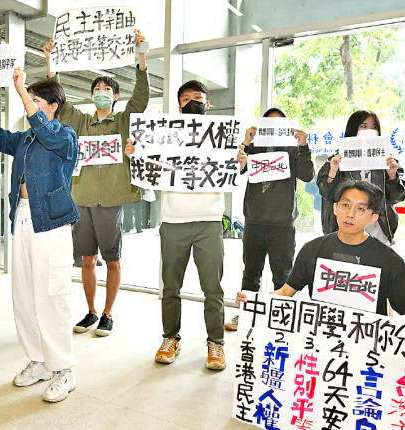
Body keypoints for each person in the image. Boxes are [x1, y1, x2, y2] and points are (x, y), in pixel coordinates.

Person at [0, 67, 80, 403]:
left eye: (35, 100)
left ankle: (64, 370)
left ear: (52, 106)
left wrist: (19, 90)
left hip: (52, 223)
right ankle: (40, 361)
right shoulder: (25, 138)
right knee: (25, 293)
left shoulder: (65, 136)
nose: (28, 104)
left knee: (52, 295)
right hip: (23, 219)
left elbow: (50, 135)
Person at [237, 180, 405, 351]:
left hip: (368, 349)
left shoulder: (388, 260)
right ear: (335, 209)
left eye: (360, 209)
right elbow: (285, 292)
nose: (350, 214)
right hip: (320, 345)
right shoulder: (313, 249)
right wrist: (255, 300)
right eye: (345, 205)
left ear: (372, 217)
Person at [43, 31, 149, 337]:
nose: (101, 92)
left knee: (112, 258)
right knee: (86, 259)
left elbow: (141, 98)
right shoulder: (80, 121)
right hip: (82, 198)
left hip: (112, 199)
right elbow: (58, 104)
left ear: (115, 96)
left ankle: (108, 312)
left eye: (107, 89)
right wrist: (52, 66)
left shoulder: (122, 121)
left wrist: (140, 53)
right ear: (91, 96)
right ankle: (90, 311)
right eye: (97, 89)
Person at [126, 80, 227, 370]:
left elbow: (234, 172)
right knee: (170, 286)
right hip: (173, 221)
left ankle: (215, 343)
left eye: (198, 97)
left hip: (209, 221)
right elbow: (146, 170)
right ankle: (171, 338)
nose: (192, 102)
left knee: (213, 288)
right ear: (178, 105)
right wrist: (135, 155)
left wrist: (240, 161)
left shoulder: (222, 136)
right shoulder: (162, 137)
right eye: (186, 98)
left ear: (208, 104)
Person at [225, 107, 314, 331]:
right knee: (251, 273)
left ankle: (281, 319)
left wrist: (303, 146)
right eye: (269, 123)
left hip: (283, 222)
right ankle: (246, 315)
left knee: (283, 274)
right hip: (254, 219)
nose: (274, 127)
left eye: (279, 123)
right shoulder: (253, 146)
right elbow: (235, 170)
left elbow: (307, 175)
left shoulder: (293, 149)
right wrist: (245, 142)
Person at [316, 110, 405, 245]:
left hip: (377, 225)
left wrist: (392, 175)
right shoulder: (337, 159)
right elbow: (327, 193)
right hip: (345, 224)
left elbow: (397, 197)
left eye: (374, 127)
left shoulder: (387, 160)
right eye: (364, 126)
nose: (369, 130)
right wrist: (333, 171)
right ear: (354, 129)